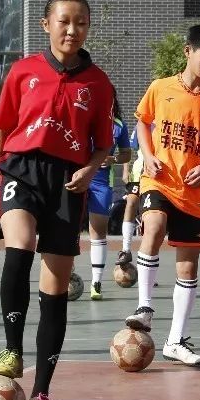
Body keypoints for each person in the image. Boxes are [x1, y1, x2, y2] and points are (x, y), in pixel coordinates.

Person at [0, 0, 115, 400]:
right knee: (18, 245)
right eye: (64, 21)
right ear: (46, 24)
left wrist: (91, 170)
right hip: (21, 170)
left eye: (81, 22)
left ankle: (42, 394)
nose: (72, 30)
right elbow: (1, 129)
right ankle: (11, 349)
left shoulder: (98, 83)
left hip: (67, 182)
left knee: (55, 288)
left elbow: (104, 146)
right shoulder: (23, 72)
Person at [126, 24, 200, 367]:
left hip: (192, 190)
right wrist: (148, 154)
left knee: (188, 266)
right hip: (158, 180)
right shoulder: (160, 88)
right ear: (188, 51)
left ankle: (176, 341)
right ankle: (145, 307)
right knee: (154, 227)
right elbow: (143, 122)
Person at [86, 98, 133, 300]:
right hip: (76, 176)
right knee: (66, 227)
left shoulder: (119, 126)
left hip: (101, 183)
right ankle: (66, 274)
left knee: (98, 230)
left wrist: (112, 159)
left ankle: (96, 282)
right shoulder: (83, 117)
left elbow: (126, 154)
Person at [116, 127, 144, 273]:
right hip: (140, 172)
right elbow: (129, 149)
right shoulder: (141, 124)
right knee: (131, 203)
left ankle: (146, 263)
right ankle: (126, 250)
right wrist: (126, 170)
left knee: (150, 217)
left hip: (160, 175)